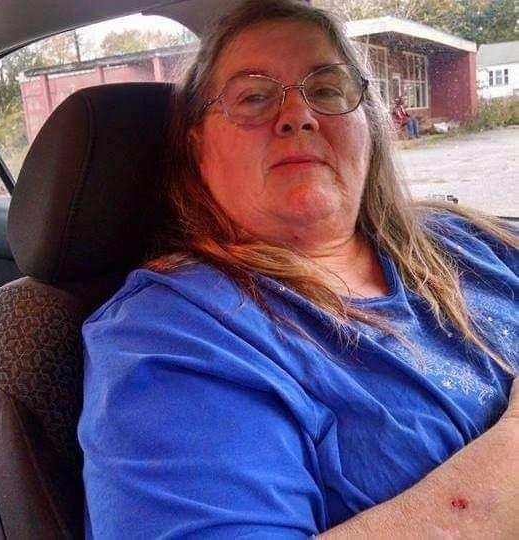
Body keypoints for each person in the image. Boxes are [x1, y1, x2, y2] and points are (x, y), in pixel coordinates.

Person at [78, 1, 518, 538]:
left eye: (327, 90)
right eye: (254, 97)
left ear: (369, 125)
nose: (298, 116)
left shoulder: (468, 238)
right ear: (198, 150)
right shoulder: (173, 337)